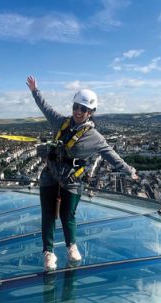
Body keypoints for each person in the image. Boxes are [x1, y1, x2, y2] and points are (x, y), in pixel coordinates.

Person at [27, 75, 138, 271]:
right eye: (76, 107)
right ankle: (48, 252)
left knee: (68, 215)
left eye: (83, 109)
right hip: (50, 174)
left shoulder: (95, 137)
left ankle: (71, 246)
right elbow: (45, 107)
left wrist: (129, 171)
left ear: (91, 112)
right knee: (48, 215)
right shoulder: (61, 122)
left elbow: (111, 155)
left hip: (72, 179)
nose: (78, 111)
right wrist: (35, 91)